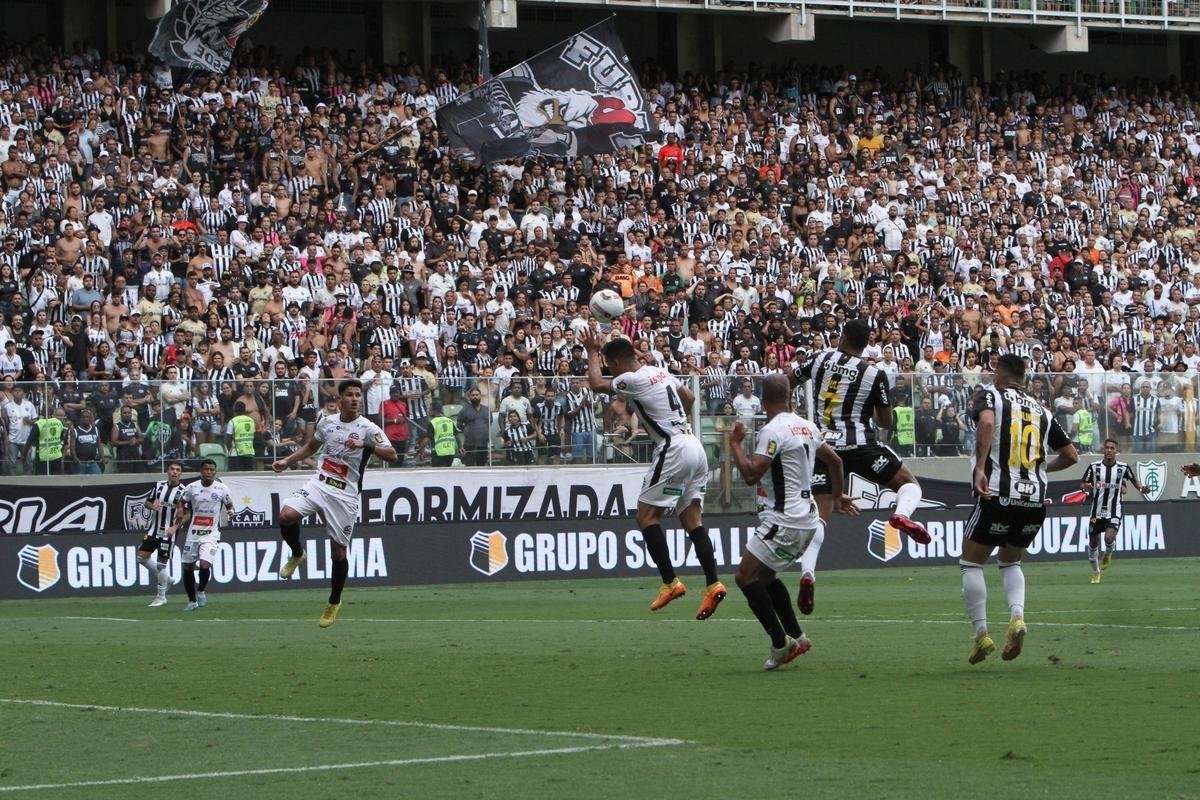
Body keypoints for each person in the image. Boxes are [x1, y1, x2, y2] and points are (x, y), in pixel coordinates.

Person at [789, 319, 931, 615]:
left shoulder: (820, 358)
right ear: (866, 345)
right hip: (861, 446)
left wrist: (794, 418)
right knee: (909, 484)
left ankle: (808, 573)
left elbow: (786, 382)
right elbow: (885, 422)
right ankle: (901, 515)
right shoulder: (873, 373)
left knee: (820, 515)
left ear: (842, 337)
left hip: (823, 447)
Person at [583, 329, 727, 619]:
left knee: (646, 516)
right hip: (693, 444)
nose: (612, 372)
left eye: (611, 366)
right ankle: (713, 584)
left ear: (617, 363)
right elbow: (689, 397)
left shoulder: (631, 378)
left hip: (673, 447)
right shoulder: (660, 371)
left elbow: (596, 383)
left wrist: (591, 351)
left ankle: (670, 583)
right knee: (692, 519)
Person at [728, 374, 858, 670]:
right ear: (789, 397)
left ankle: (780, 643)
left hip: (785, 519)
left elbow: (751, 475)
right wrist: (837, 495)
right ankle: (797, 637)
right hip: (809, 518)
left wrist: (734, 444)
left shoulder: (772, 430)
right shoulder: (808, 426)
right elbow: (836, 461)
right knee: (765, 577)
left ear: (763, 401)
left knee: (744, 577)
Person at [962, 354, 1078, 665]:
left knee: (971, 563)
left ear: (999, 374)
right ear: (1024, 377)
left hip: (998, 494)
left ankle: (981, 635)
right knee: (1011, 561)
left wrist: (980, 468)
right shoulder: (1043, 410)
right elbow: (1071, 455)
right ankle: (1017, 618)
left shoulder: (991, 395)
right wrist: (1040, 469)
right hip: (1034, 500)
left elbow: (987, 422)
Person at [272, 379, 397, 627]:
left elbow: (392, 455)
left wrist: (366, 444)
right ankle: (297, 554)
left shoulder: (368, 428)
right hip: (320, 483)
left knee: (338, 553)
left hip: (345, 494)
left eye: (358, 395)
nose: (355, 399)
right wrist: (287, 461)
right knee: (286, 516)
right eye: (349, 395)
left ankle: (333, 602)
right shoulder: (327, 423)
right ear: (340, 400)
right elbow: (311, 446)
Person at [166, 459, 234, 612]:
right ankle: (192, 601)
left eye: (212, 469)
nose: (209, 472)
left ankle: (201, 590)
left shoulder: (222, 488)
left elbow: (229, 504)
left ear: (215, 472)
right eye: (206, 469)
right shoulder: (192, 487)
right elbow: (181, 501)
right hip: (193, 533)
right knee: (188, 566)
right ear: (201, 471)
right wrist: (179, 509)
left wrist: (231, 512)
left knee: (204, 564)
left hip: (211, 533)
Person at [1080, 439, 1149, 583]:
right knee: (1093, 543)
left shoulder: (1123, 467)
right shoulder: (1094, 466)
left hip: (1114, 510)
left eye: (1112, 448)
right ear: (1103, 450)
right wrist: (1085, 486)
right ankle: (1096, 572)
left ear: (1116, 451)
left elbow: (1133, 480)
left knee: (1109, 538)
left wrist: (1141, 488)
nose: (1109, 450)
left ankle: (1108, 553)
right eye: (1107, 447)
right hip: (1096, 511)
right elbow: (1084, 482)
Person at [137, 461, 186, 607]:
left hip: (169, 533)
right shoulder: (159, 486)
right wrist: (152, 506)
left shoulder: (184, 492)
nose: (174, 472)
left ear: (180, 473)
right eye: (172, 469)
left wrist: (175, 527)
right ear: (168, 471)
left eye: (178, 470)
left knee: (161, 565)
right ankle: (167, 580)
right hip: (153, 530)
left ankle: (161, 597)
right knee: (141, 558)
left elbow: (185, 513)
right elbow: (147, 502)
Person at [25, 407, 66, 475]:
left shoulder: (39, 423)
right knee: (57, 479)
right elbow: (61, 439)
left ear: (41, 413)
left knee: (42, 479)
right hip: (57, 456)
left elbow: (30, 441)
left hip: (43, 457)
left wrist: (23, 455)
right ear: (52, 414)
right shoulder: (59, 423)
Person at [226, 400, 257, 471]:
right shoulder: (251, 421)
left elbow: (228, 439)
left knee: (235, 476)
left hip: (235, 454)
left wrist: (229, 449)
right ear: (245, 410)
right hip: (249, 452)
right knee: (248, 476)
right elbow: (253, 435)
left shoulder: (232, 421)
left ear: (234, 410)